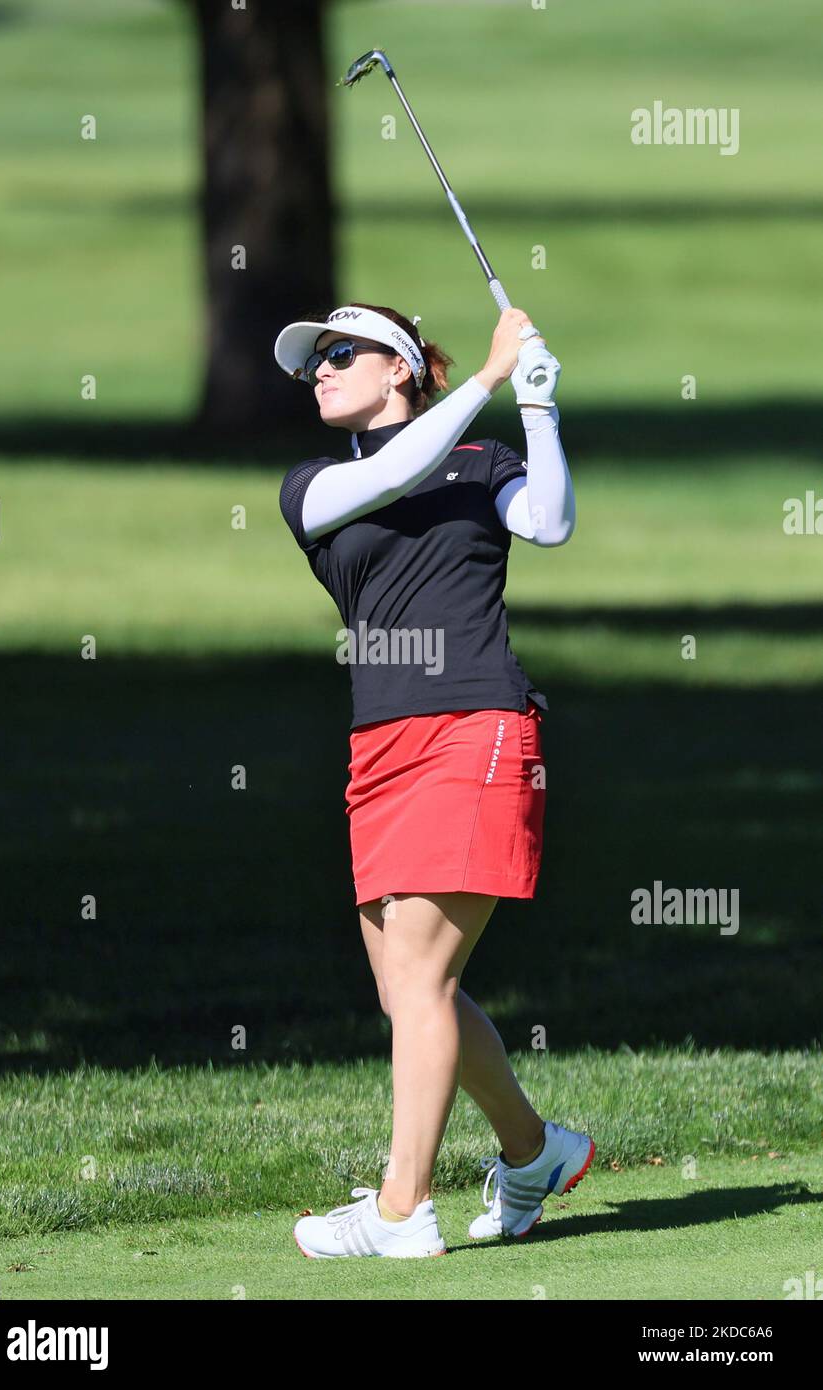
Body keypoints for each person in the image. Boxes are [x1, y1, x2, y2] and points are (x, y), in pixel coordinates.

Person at [274, 302, 594, 1258]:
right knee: (415, 992)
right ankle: (535, 1153)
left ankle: (403, 1207)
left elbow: (549, 521)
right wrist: (490, 379)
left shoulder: (479, 462)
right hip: (379, 752)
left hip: (480, 729)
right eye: (313, 363)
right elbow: (396, 470)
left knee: (418, 979)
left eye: (339, 354)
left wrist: (535, 408)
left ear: (401, 368)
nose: (320, 372)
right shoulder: (317, 485)